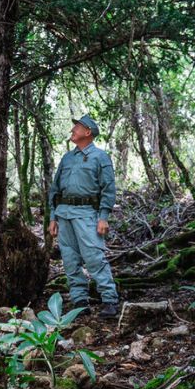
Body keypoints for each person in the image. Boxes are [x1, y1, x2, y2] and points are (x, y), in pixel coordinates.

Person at [47, 115, 120, 317]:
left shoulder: (100, 157)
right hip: (64, 215)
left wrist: (103, 217)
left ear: (88, 132)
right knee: (70, 260)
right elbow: (55, 190)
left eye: (77, 127)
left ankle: (109, 300)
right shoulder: (67, 158)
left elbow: (108, 189)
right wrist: (53, 217)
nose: (73, 130)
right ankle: (79, 301)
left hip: (87, 215)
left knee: (94, 258)